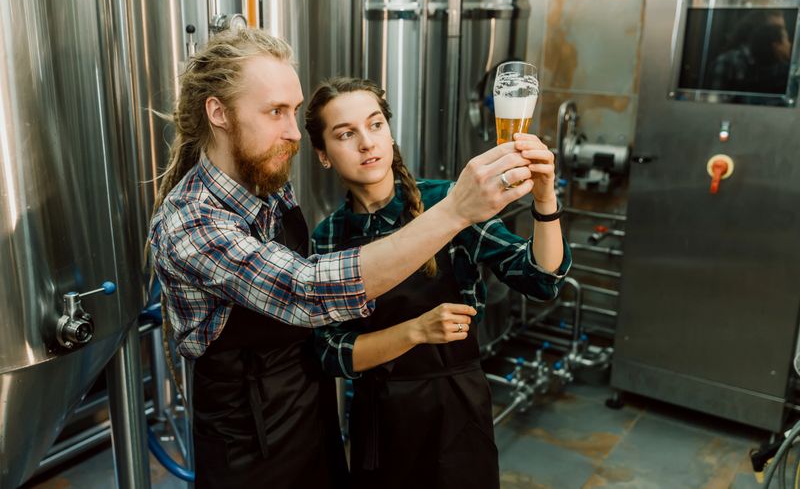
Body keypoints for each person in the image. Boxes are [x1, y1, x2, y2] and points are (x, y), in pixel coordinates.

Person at [148, 28, 539, 489]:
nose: (293, 133)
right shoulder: (189, 223)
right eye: (276, 112)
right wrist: (455, 211)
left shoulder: (267, 184)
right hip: (248, 445)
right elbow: (307, 290)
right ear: (218, 113)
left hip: (311, 414)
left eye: (293, 112)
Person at [305, 77, 572, 489]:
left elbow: (539, 278)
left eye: (375, 125)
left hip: (457, 412)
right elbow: (330, 352)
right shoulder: (328, 236)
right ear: (323, 155)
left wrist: (545, 199)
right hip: (380, 420)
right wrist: (415, 331)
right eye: (346, 134)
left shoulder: (450, 202)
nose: (366, 143)